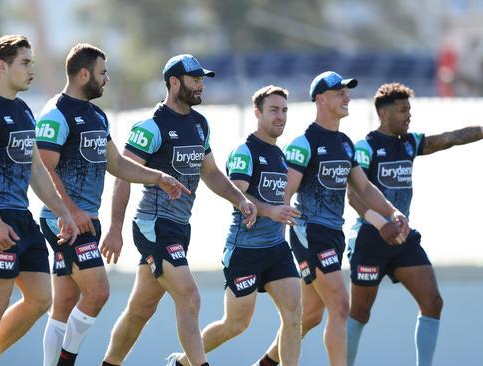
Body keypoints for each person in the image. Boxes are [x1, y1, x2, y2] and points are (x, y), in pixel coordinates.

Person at [37, 43, 190, 366]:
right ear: (83, 74)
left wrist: (157, 177)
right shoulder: (56, 114)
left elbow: (117, 164)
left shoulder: (96, 115)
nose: (106, 79)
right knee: (99, 292)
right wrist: (70, 211)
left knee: (65, 302)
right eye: (102, 73)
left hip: (86, 219)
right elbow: (42, 168)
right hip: (63, 219)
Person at [100, 54, 256, 366]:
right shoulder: (150, 127)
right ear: (174, 82)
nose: (201, 86)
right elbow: (122, 175)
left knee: (140, 309)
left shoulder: (200, 124)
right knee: (190, 296)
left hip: (180, 227)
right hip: (153, 224)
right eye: (195, 80)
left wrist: (240, 199)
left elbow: (210, 173)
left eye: (202, 80)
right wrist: (115, 229)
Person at [255, 71, 409, 366]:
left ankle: (264, 364)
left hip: (332, 235)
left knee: (310, 316)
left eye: (346, 93)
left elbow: (364, 187)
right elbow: (283, 196)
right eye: (340, 93)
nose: (346, 98)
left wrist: (393, 212)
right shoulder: (304, 143)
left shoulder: (346, 144)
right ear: (321, 99)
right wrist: (274, 244)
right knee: (340, 306)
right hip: (310, 234)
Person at [346, 82, 483, 366]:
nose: (409, 115)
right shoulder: (364, 148)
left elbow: (453, 137)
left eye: (410, 110)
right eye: (403, 110)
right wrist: (380, 224)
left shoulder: (410, 142)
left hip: (402, 238)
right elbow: (355, 196)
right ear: (383, 113)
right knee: (360, 313)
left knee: (432, 302)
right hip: (370, 240)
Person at [166, 85, 302, 366]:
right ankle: (181, 362)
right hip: (245, 249)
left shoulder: (280, 155)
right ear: (258, 113)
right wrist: (269, 211)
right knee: (236, 324)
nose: (281, 116)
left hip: (276, 248)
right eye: (274, 110)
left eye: (285, 110)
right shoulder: (245, 151)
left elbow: (279, 204)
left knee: (293, 315)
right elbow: (238, 194)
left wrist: (283, 217)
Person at [0, 34, 77, 365]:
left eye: (32, 63)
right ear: (2, 66)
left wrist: (63, 212)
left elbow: (37, 171)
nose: (31, 70)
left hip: (23, 217)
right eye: (25, 63)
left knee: (41, 299)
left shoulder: (25, 110)